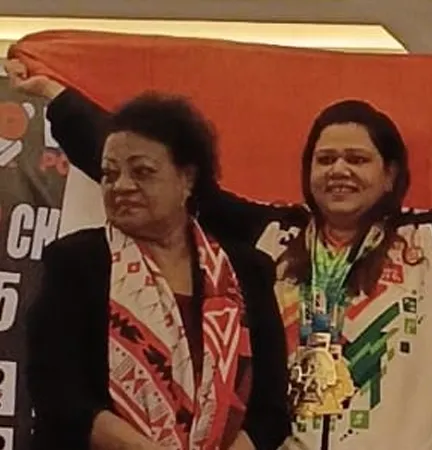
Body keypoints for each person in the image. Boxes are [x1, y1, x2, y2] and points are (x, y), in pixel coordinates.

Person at [6, 21, 432, 450]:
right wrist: (59, 96)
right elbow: (160, 171)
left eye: (357, 159)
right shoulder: (264, 243)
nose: (339, 171)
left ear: (390, 175)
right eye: (325, 159)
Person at [26, 94, 291, 449]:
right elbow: (59, 396)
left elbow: (271, 411)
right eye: (110, 174)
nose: (121, 186)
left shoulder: (247, 271)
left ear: (187, 179)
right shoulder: (74, 262)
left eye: (142, 172)